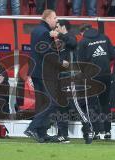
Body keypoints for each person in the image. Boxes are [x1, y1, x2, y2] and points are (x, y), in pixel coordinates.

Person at [24, 9, 70, 143]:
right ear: (48, 18)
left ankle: (41, 134)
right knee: (52, 102)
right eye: (55, 18)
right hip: (44, 73)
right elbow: (46, 54)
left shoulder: (37, 30)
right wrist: (61, 63)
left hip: (36, 72)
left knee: (42, 104)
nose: (56, 20)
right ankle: (32, 128)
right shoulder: (44, 32)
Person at [77, 24, 115, 140]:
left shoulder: (83, 42)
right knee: (105, 103)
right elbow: (113, 55)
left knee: (93, 105)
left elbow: (81, 64)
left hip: (92, 77)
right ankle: (107, 131)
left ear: (83, 32)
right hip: (106, 74)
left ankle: (96, 132)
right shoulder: (105, 37)